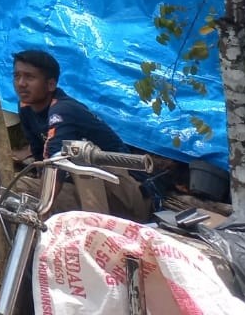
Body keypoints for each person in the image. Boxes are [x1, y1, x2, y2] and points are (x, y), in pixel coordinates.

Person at [13, 48, 152, 219]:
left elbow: (56, 164)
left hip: (127, 193)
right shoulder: (26, 108)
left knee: (79, 152)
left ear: (51, 84)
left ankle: (93, 230)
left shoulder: (63, 110)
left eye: (29, 77)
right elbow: (40, 158)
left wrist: (42, 212)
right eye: (17, 76)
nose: (21, 83)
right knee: (11, 187)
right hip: (84, 191)